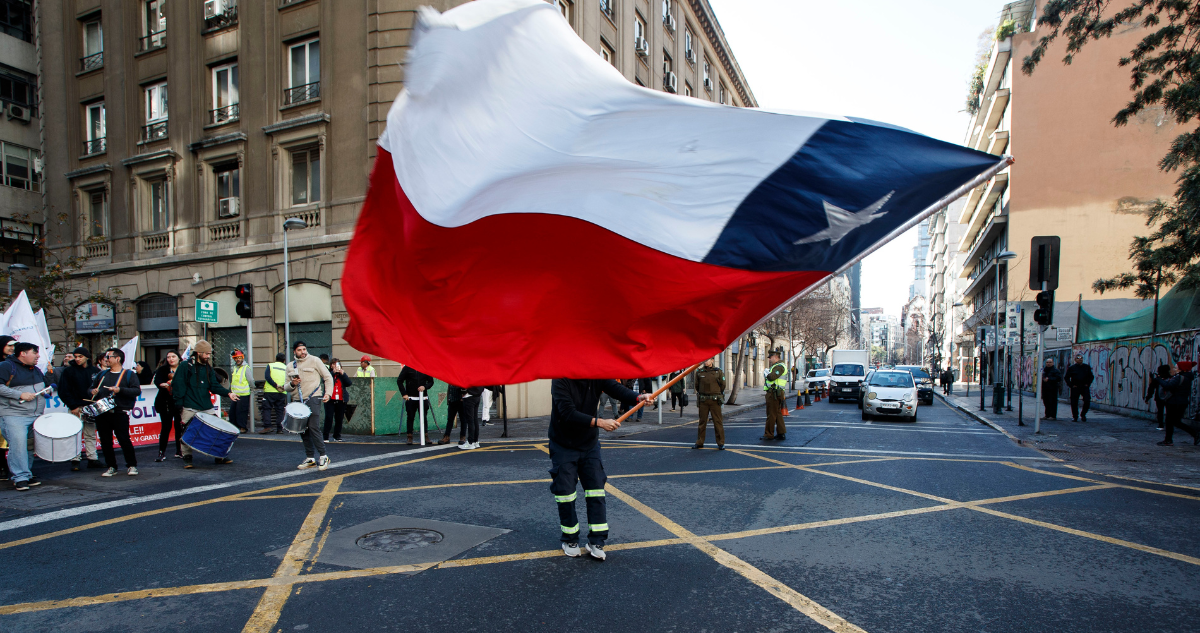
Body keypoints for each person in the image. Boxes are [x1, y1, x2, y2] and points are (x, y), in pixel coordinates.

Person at [548, 377, 650, 561]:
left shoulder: (596, 373)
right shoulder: (560, 378)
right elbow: (567, 412)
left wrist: (638, 397)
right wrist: (600, 422)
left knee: (596, 490)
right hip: (563, 444)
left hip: (589, 444)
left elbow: (616, 389)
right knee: (565, 492)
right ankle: (570, 540)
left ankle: (596, 541)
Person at [0, 342, 57, 490]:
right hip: (14, 415)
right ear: (23, 354)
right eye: (35, 352)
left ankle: (26, 474)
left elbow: (41, 387)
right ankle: (20, 477)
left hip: (35, 415)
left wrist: (45, 391)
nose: (38, 356)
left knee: (29, 446)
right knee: (18, 445)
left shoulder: (36, 369)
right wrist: (20, 394)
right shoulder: (6, 366)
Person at [173, 340, 237, 468]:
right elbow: (178, 386)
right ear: (198, 353)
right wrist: (179, 405)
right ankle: (187, 457)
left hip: (206, 406)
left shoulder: (208, 367)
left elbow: (214, 385)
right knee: (187, 431)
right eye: (206, 354)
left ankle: (219, 455)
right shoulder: (185, 366)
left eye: (209, 354)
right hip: (189, 405)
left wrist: (228, 393)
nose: (208, 356)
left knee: (217, 430)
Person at [90, 348, 142, 477]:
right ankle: (111, 466)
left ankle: (131, 465)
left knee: (124, 439)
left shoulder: (129, 374)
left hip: (120, 411)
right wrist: (92, 392)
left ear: (117, 358)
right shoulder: (102, 374)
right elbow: (91, 388)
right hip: (103, 412)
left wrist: (120, 390)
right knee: (105, 441)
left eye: (108, 357)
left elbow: (136, 391)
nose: (106, 359)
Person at [286, 341, 334, 470]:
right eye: (300, 350)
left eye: (304, 349)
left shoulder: (315, 360)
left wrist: (328, 393)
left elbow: (328, 377)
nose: (303, 352)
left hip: (313, 397)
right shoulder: (290, 366)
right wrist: (292, 384)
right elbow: (286, 387)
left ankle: (324, 456)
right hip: (298, 400)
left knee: (313, 427)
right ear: (294, 352)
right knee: (302, 429)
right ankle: (310, 458)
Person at [59, 347, 102, 471]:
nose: (77, 359)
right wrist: (73, 406)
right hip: (76, 406)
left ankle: (92, 458)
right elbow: (63, 390)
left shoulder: (95, 371)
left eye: (80, 356)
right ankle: (75, 459)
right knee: (75, 434)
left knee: (90, 433)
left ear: (86, 357)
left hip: (91, 406)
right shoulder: (68, 371)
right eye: (75, 356)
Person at [1157, 362, 1199, 446]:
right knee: (1175, 421)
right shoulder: (1187, 377)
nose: (1174, 369)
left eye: (1176, 368)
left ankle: (1168, 440)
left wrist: (1159, 380)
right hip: (1181, 402)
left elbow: (1168, 386)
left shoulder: (1179, 377)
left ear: (1182, 368)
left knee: (1170, 421)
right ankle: (1194, 434)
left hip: (1174, 402)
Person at [152, 351, 183, 462]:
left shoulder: (183, 368)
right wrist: (163, 384)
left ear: (179, 358)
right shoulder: (162, 370)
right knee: (166, 427)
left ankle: (180, 451)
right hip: (165, 402)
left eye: (173, 356)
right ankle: (161, 452)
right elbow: (157, 380)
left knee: (180, 427)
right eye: (168, 357)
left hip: (179, 401)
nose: (171, 359)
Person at [397, 363, 435, 445]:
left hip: (423, 397)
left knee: (423, 417)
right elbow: (399, 380)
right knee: (410, 417)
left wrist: (425, 387)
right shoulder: (407, 368)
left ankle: (425, 436)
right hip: (411, 397)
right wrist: (404, 394)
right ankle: (409, 436)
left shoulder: (425, 367)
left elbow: (431, 382)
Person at [693, 358, 726, 450]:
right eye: (704, 360)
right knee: (702, 422)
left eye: (708, 360)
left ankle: (720, 443)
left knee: (717, 421)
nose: (706, 362)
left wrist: (716, 393)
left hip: (715, 400)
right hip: (703, 400)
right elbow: (697, 386)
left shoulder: (718, 372)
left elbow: (723, 385)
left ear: (712, 360)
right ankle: (700, 442)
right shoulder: (699, 372)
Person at [323, 358, 352, 442]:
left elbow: (349, 383)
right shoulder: (328, 373)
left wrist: (343, 374)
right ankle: (325, 436)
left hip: (340, 399)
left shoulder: (341, 375)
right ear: (331, 365)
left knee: (339, 418)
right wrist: (333, 373)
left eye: (337, 364)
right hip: (330, 399)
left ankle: (337, 435)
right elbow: (324, 381)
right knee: (329, 417)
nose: (336, 366)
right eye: (334, 364)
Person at [762, 351, 788, 441]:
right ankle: (781, 433)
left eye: (770, 357)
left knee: (771, 414)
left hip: (774, 392)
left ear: (775, 357)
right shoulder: (777, 366)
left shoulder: (779, 367)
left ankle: (769, 434)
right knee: (777, 413)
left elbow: (772, 377)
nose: (769, 359)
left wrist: (767, 374)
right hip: (776, 392)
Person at [260, 353, 288, 434]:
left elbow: (267, 377)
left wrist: (276, 385)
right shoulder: (286, 368)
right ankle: (280, 428)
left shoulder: (270, 365)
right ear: (284, 360)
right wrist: (282, 387)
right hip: (282, 392)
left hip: (270, 391)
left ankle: (267, 426)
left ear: (276, 359)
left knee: (267, 408)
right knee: (280, 410)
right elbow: (289, 379)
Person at [1065, 354, 1094, 422]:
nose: (1080, 359)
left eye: (1081, 358)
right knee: (1074, 402)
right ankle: (1075, 416)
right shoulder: (1072, 368)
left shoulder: (1086, 367)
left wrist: (1088, 384)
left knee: (1087, 401)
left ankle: (1083, 414)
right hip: (1075, 387)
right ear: (1075, 360)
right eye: (1078, 358)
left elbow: (1091, 376)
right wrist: (1071, 385)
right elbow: (1066, 377)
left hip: (1084, 387)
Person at [228, 349, 251, 433]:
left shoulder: (246, 368)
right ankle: (233, 426)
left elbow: (250, 380)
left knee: (241, 412)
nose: (238, 359)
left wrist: (252, 388)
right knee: (233, 412)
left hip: (243, 394)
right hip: (235, 394)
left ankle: (242, 427)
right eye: (236, 358)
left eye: (239, 357)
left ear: (242, 358)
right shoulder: (235, 368)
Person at [1144, 364, 1170, 431]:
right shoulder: (1171, 379)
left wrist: (1148, 398)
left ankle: (1161, 425)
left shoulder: (1157, 380)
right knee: (1169, 412)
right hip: (1169, 398)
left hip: (1159, 398)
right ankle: (1168, 425)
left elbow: (1151, 389)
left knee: (1160, 411)